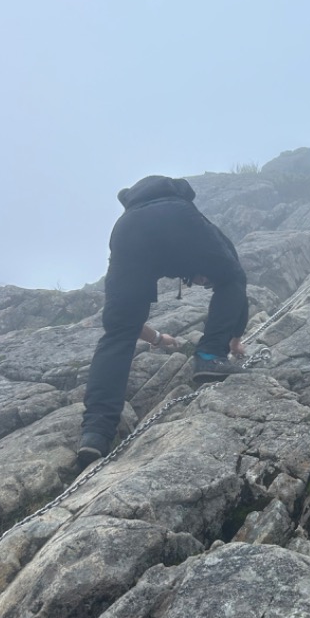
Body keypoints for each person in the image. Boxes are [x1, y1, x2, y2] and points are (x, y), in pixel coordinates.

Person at [77, 175, 249, 469]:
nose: (204, 282)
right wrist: (234, 337)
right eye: (204, 281)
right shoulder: (186, 212)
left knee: (117, 333)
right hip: (175, 219)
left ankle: (95, 432)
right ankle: (209, 357)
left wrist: (157, 339)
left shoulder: (130, 220)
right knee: (231, 277)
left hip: (125, 231)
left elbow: (123, 322)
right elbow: (235, 274)